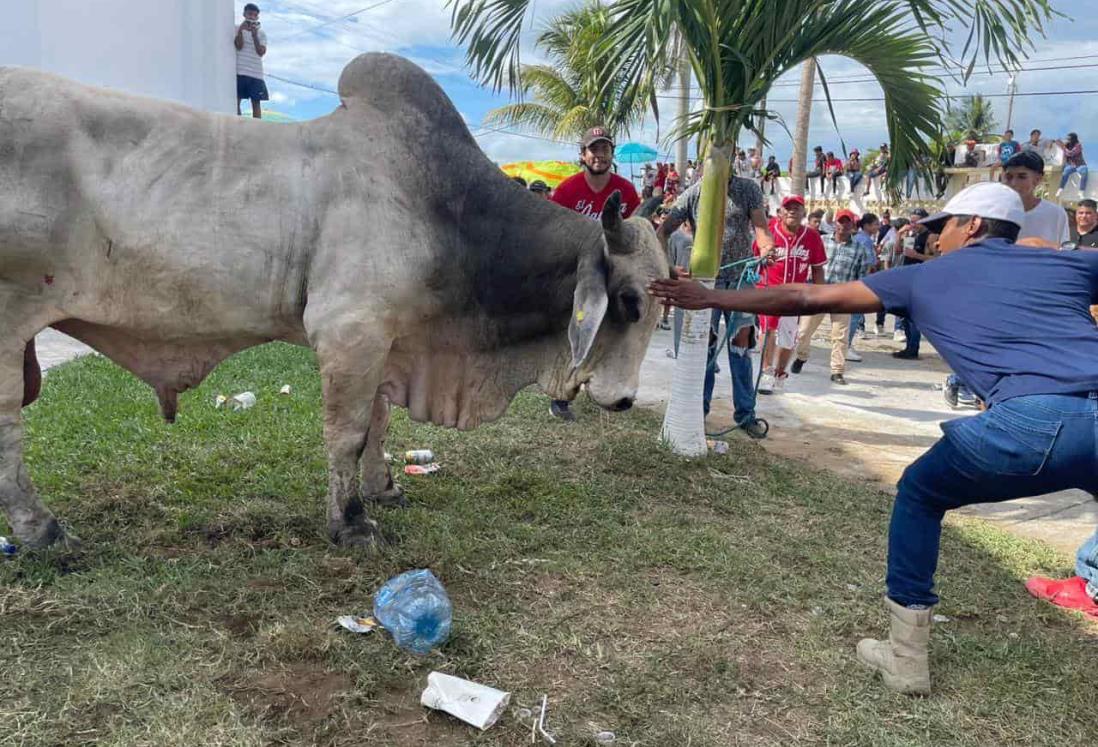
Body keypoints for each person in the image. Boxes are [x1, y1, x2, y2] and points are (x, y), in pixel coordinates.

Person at [648, 181, 1098, 693]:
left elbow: (804, 296)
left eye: (941, 227)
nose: (933, 239)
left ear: (971, 226)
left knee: (922, 493)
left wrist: (710, 297)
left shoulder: (921, 278)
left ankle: (906, 658)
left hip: (1031, 420)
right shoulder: (1072, 265)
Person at [659, 167, 776, 439]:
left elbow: (761, 229)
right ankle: (697, 411)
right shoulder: (693, 193)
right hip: (704, 282)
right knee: (705, 347)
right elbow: (662, 232)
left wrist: (768, 248)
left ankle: (746, 414)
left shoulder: (747, 188)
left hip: (740, 279)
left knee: (741, 346)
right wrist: (670, 268)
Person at [549, 126, 640, 421]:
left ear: (612, 154)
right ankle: (561, 395)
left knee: (614, 332)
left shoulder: (626, 190)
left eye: (605, 149)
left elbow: (639, 232)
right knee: (575, 332)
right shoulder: (567, 190)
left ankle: (604, 386)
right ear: (583, 155)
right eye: (594, 150)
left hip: (615, 277)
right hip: (580, 275)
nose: (599, 155)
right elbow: (552, 231)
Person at [754, 195, 827, 394]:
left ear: (804, 213)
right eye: (788, 208)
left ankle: (780, 372)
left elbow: (818, 267)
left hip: (795, 294)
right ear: (781, 212)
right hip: (768, 290)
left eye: (797, 208)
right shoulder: (769, 231)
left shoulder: (812, 236)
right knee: (768, 330)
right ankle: (766, 372)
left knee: (788, 336)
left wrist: (820, 294)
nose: (792, 211)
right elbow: (754, 259)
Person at [791, 209, 870, 384]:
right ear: (835, 223)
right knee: (803, 332)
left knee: (840, 336)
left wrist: (857, 299)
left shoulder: (860, 250)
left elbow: (862, 276)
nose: (844, 225)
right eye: (841, 221)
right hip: (818, 293)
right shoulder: (822, 241)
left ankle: (837, 371)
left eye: (847, 222)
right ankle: (801, 357)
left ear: (853, 225)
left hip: (842, 297)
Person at [1002, 151, 1070, 246]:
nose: (1013, 183)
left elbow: (1063, 251)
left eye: (1022, 177)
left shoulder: (1055, 214)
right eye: (1009, 177)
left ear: (1038, 179)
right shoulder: (994, 213)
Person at [890, 208, 934, 355]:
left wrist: (917, 255)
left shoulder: (930, 236)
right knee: (904, 314)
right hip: (907, 276)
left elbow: (936, 259)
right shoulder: (911, 235)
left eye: (916, 222)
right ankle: (909, 347)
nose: (913, 224)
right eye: (911, 221)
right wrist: (899, 234)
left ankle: (913, 348)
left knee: (913, 316)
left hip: (921, 278)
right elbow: (897, 251)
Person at [845, 213, 880, 358]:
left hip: (853, 281)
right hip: (860, 282)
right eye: (875, 224)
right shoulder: (865, 240)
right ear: (866, 225)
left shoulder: (858, 238)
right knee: (854, 316)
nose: (877, 227)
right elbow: (869, 263)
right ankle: (846, 346)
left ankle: (844, 345)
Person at [234, 3, 269, 119]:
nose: (252, 17)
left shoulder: (261, 33)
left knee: (256, 103)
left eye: (255, 15)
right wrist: (240, 31)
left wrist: (255, 36)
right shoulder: (236, 28)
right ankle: (238, 126)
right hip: (240, 70)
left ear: (258, 17)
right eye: (250, 14)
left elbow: (261, 52)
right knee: (236, 101)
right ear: (244, 14)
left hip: (256, 73)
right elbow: (238, 46)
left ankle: (257, 130)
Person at [1055, 132, 1088, 197]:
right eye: (1067, 139)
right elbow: (1065, 155)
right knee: (1065, 174)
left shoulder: (1078, 145)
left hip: (1080, 164)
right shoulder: (1066, 145)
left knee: (1085, 173)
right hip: (1071, 165)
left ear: (1073, 139)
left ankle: (1081, 191)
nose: (1068, 140)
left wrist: (1063, 147)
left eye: (1069, 139)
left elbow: (1071, 153)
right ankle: (1060, 189)